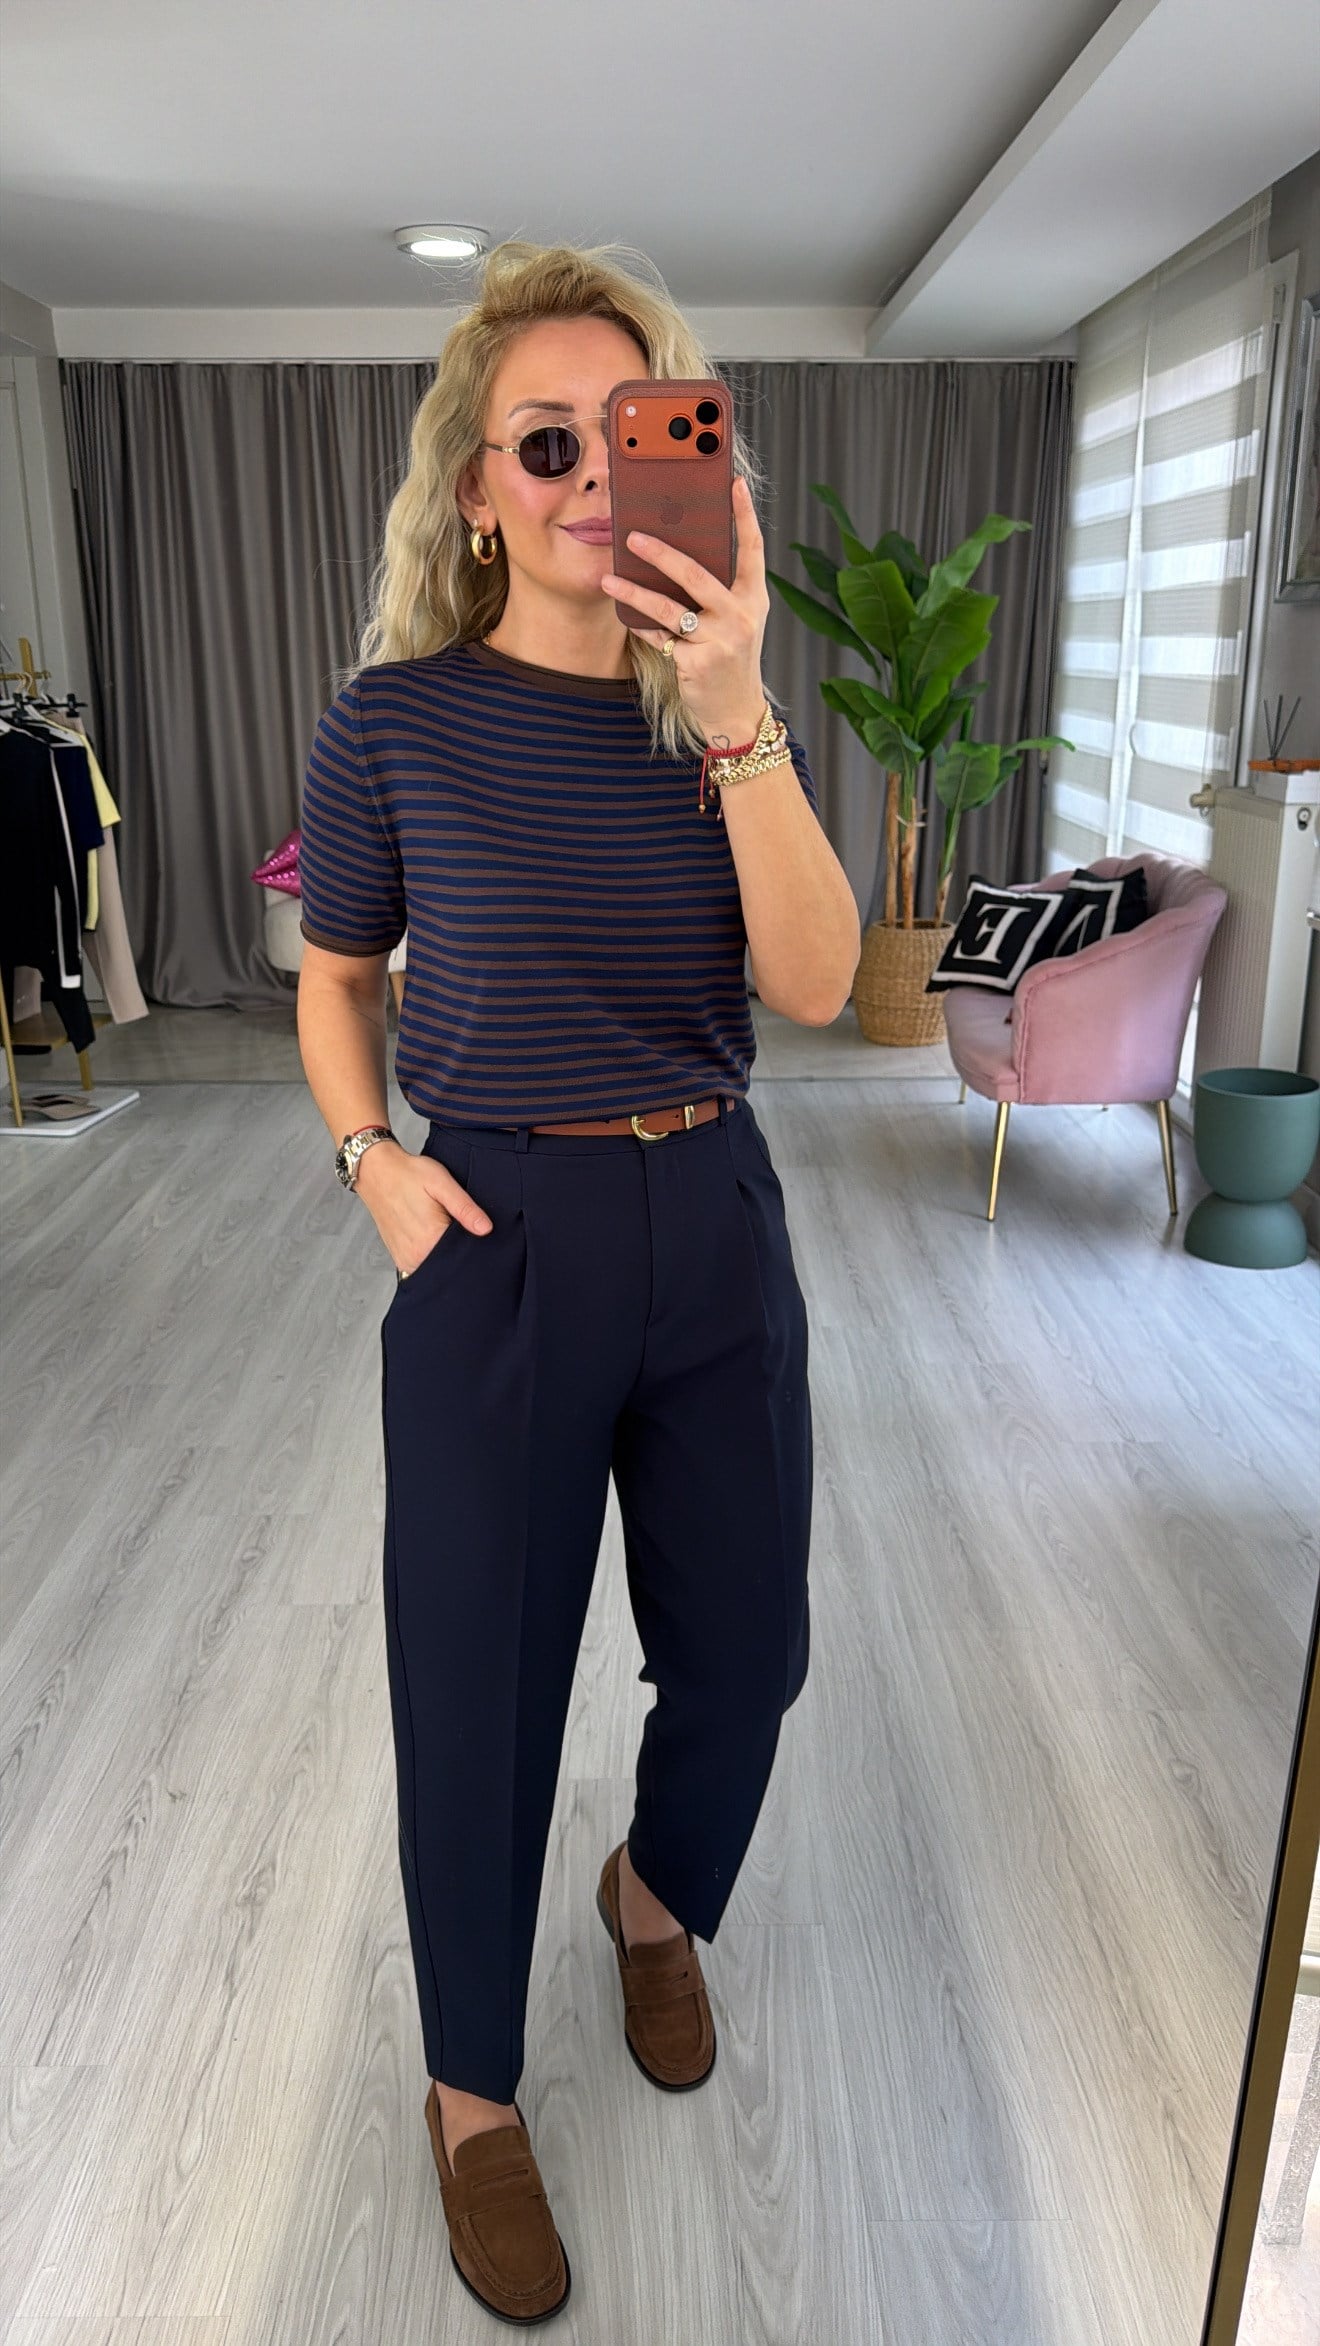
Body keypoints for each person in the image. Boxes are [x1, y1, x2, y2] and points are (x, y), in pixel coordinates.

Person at [295, 237, 860, 2325]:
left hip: (711, 1218)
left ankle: (653, 1890)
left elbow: (817, 981)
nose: (593, 477)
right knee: (478, 1692)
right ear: (476, 490)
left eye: (634, 431)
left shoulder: (714, 710)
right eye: (546, 444)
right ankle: (472, 2092)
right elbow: (336, 979)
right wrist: (368, 1160)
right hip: (498, 1237)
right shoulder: (395, 725)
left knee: (752, 1652)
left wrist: (737, 710)